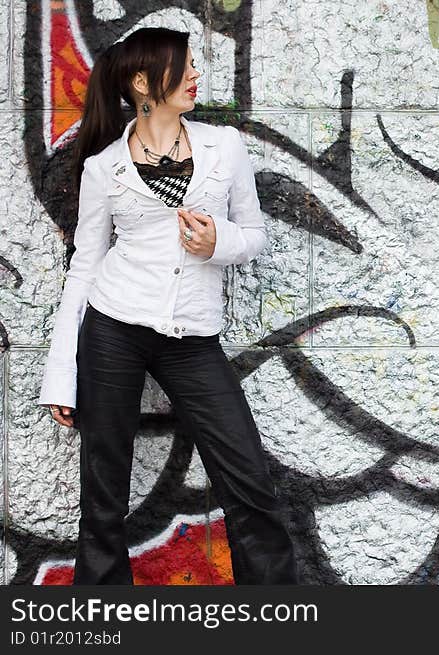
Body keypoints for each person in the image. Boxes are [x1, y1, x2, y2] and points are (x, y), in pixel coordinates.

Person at [35, 27, 299, 585]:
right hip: (113, 327)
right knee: (103, 494)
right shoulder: (104, 167)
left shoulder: (222, 146)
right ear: (142, 83)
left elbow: (255, 234)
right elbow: (84, 266)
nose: (195, 76)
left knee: (248, 479)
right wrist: (62, 374)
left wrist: (217, 242)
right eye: (183, 67)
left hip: (191, 338)